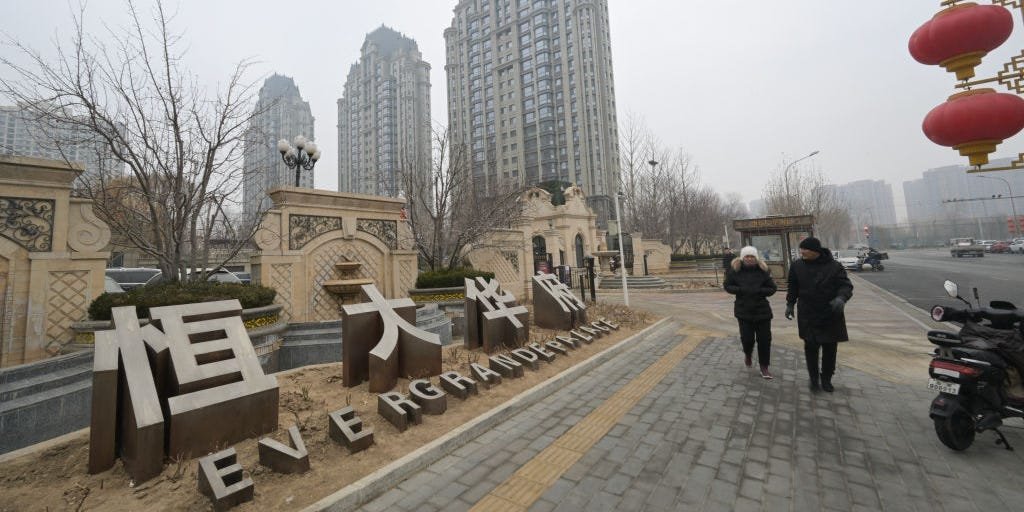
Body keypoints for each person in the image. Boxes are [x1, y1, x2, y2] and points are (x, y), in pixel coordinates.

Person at [784, 237, 853, 392]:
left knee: (830, 349)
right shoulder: (797, 266)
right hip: (807, 313)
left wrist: (841, 298)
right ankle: (814, 379)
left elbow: (846, 285)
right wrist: (790, 304)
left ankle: (826, 378)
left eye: (805, 249)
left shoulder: (834, 266)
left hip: (830, 313)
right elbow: (793, 287)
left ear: (815, 251)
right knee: (810, 348)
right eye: (801, 249)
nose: (802, 252)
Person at [723, 246, 778, 379]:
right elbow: (727, 285)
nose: (749, 259)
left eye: (752, 256)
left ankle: (764, 366)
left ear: (756, 258)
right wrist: (741, 290)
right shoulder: (735, 270)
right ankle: (748, 353)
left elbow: (772, 288)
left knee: (764, 340)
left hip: (762, 311)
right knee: (747, 339)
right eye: (747, 256)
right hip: (743, 311)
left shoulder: (763, 270)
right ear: (743, 258)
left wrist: (759, 291)